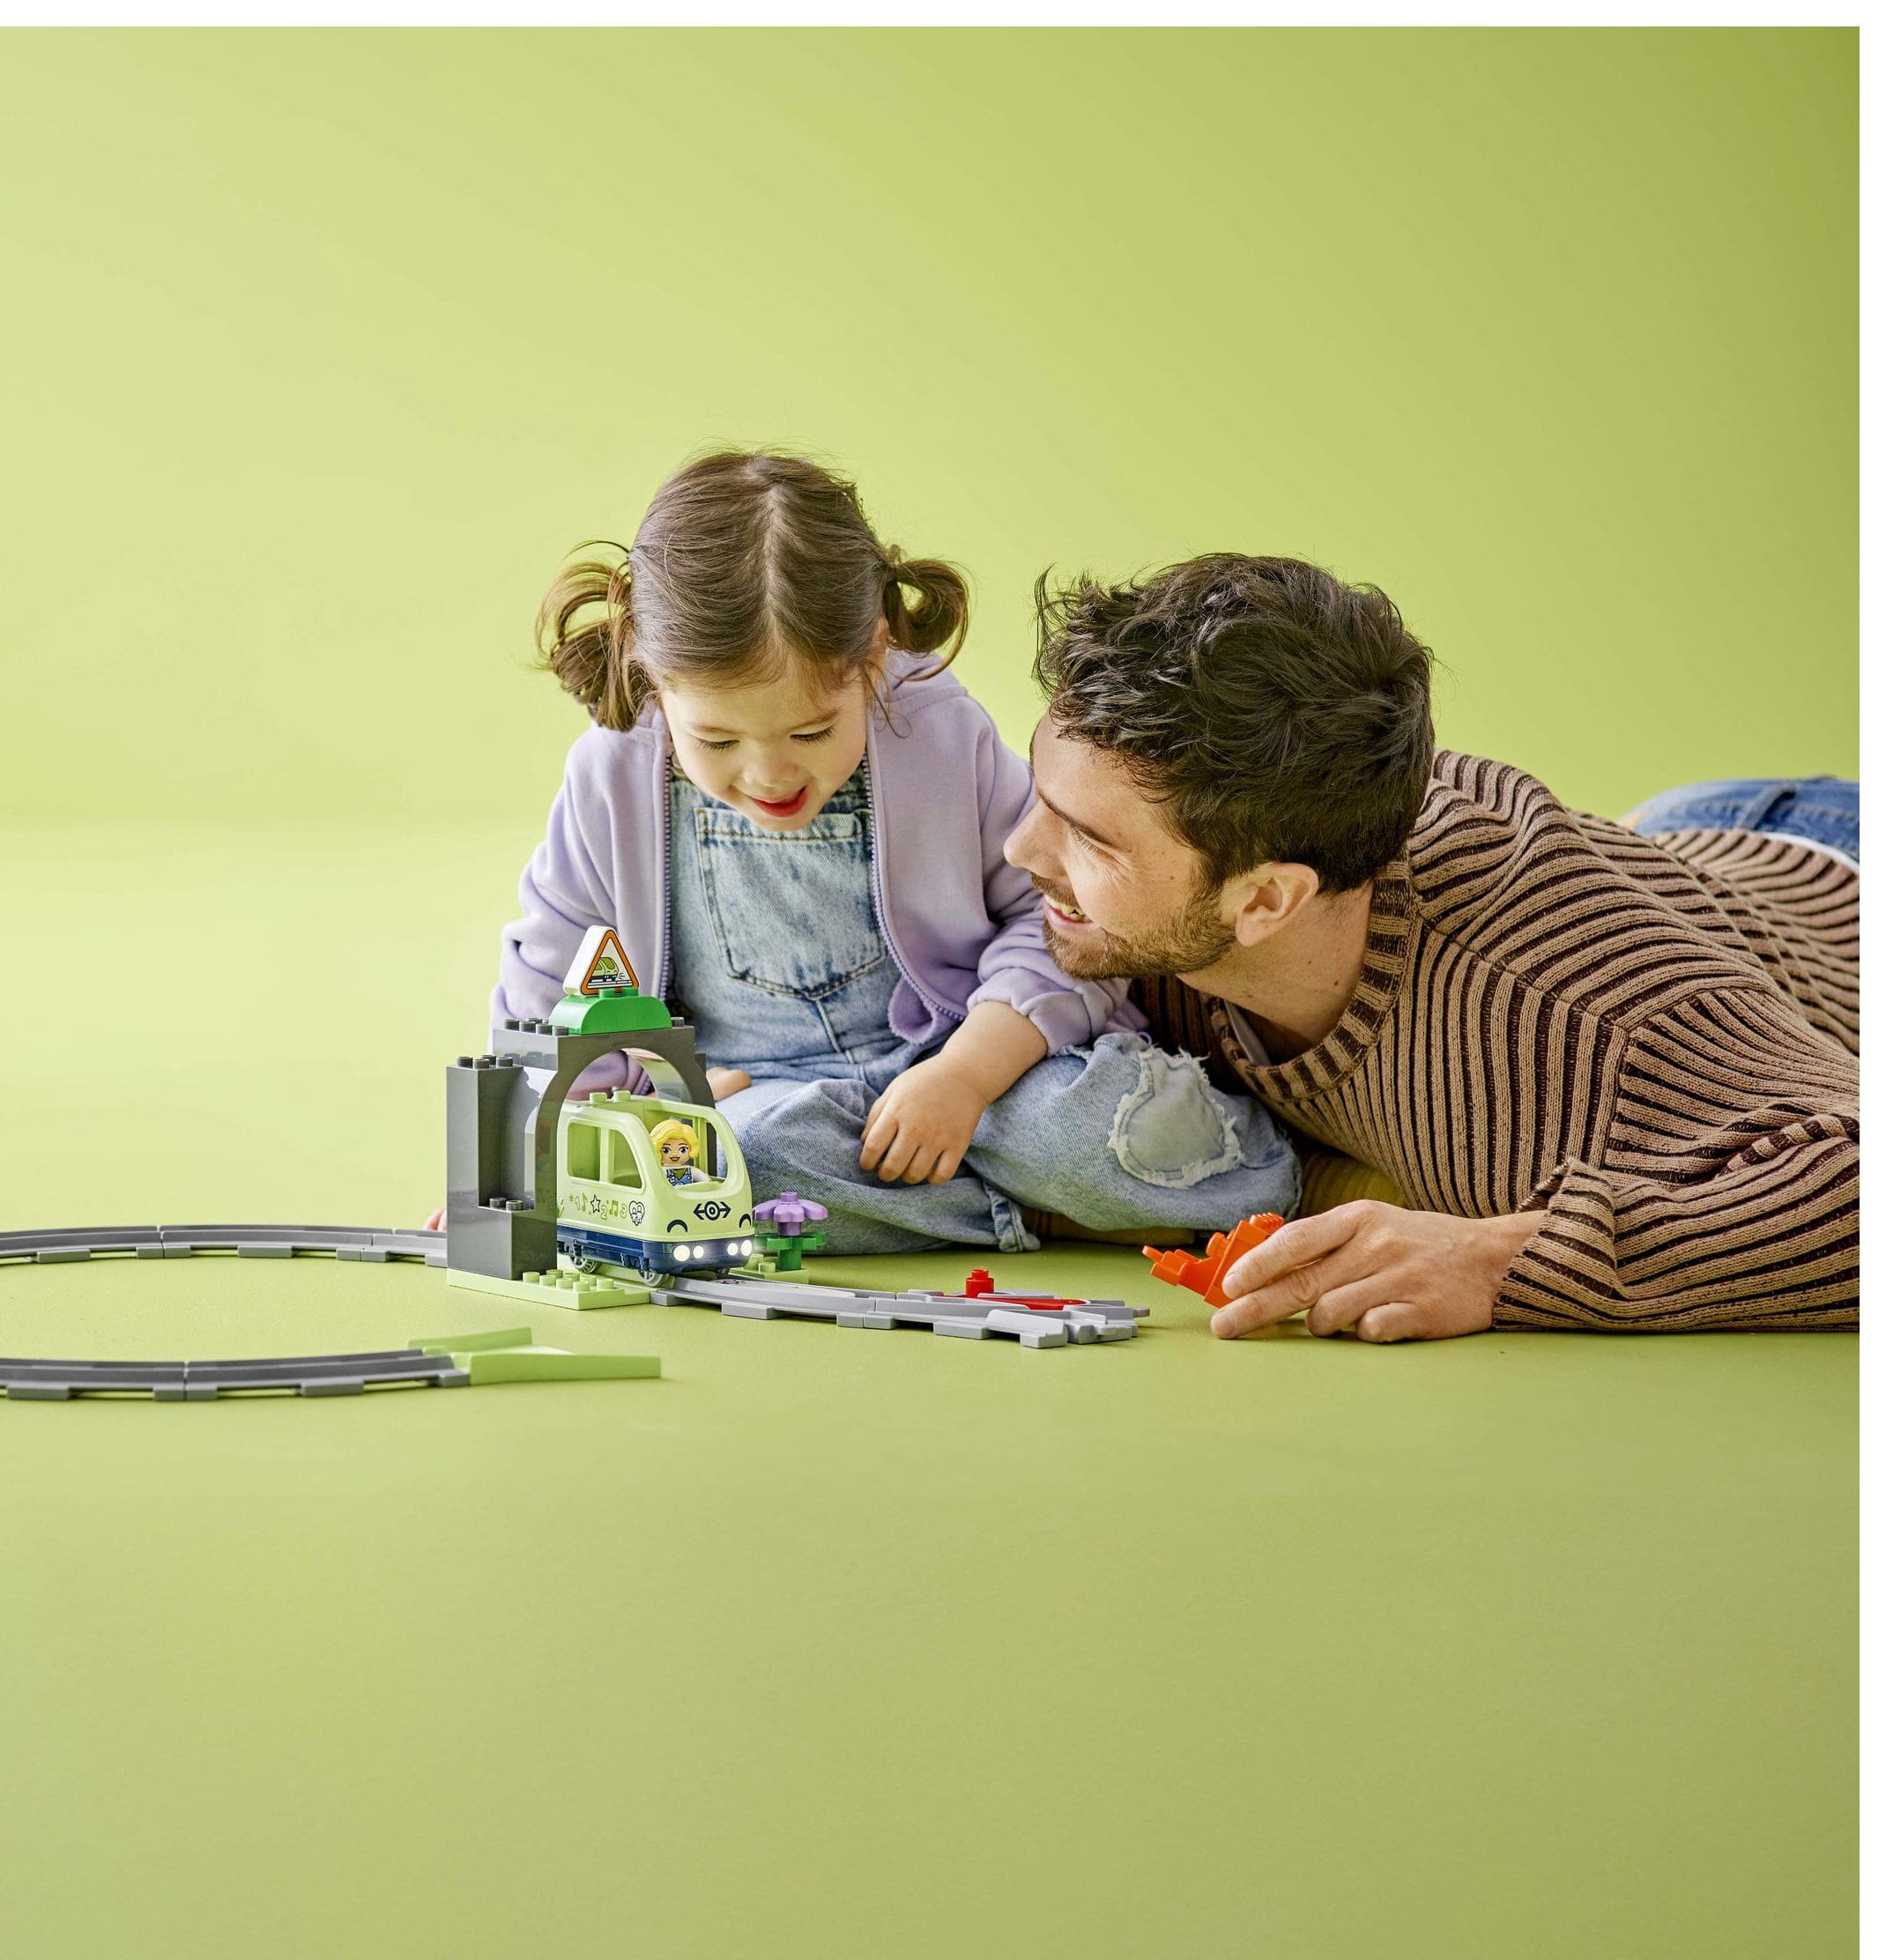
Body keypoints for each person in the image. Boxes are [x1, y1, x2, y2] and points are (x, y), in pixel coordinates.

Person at [1002, 553, 1857, 1337]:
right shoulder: (1153, 909)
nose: (1017, 850)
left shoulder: (1578, 1029)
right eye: (1040, 793)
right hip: (1682, 843)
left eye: (1090, 841)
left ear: (1267, 899)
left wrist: (1498, 1260)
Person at [493, 449, 1302, 1255]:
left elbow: (1057, 921)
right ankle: (1041, 1212)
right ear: (651, 675)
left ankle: (1243, 1179)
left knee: (1079, 1129)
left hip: (976, 1066)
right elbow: (553, 983)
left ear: (873, 657)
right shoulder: (611, 777)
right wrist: (538, 1170)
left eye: (813, 731)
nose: (770, 774)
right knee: (731, 1162)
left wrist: (964, 1077)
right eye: (718, 740)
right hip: (761, 1099)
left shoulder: (941, 735)